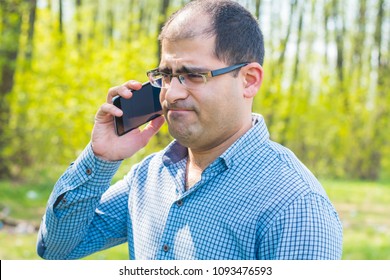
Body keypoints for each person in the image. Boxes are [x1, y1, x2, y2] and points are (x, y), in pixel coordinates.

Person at [37, 0, 342, 260]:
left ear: (249, 80)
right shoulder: (149, 176)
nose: (170, 94)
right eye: (165, 75)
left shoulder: (296, 205)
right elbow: (57, 249)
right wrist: (100, 159)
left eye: (193, 75)